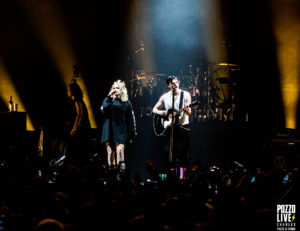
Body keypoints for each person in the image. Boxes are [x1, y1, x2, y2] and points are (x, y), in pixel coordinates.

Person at [152, 76, 192, 180]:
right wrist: (162, 112)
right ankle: (172, 176)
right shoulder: (165, 96)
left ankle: (182, 177)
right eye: (172, 83)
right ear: (169, 85)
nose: (174, 84)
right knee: (171, 152)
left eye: (176, 82)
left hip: (183, 126)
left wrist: (187, 111)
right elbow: (154, 109)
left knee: (183, 151)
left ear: (179, 83)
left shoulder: (185, 94)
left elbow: (189, 111)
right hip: (170, 128)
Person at [100, 79, 137, 170]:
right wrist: (109, 96)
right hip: (108, 131)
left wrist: (132, 133)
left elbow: (131, 119)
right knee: (110, 154)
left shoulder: (126, 103)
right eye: (114, 88)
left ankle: (122, 175)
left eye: (117, 88)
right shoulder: (108, 101)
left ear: (122, 90)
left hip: (121, 131)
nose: (115, 89)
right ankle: (110, 175)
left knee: (120, 155)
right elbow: (104, 109)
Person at [65, 81, 91, 166]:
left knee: (79, 148)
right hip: (81, 127)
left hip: (82, 128)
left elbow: (80, 114)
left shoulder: (77, 100)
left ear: (73, 91)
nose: (67, 91)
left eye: (68, 90)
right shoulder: (75, 101)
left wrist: (74, 128)